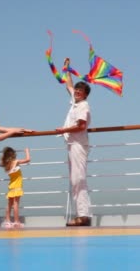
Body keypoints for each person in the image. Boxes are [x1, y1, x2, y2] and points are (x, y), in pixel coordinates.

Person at [55, 58, 93, 227]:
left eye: (80, 90)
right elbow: (68, 85)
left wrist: (63, 130)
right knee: (75, 179)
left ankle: (83, 216)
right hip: (73, 145)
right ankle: (82, 214)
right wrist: (66, 69)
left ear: (85, 94)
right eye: (77, 89)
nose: (77, 91)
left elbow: (81, 126)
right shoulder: (75, 102)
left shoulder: (83, 106)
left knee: (78, 179)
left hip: (78, 145)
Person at [0, 146, 31, 228]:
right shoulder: (15, 162)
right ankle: (16, 221)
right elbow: (28, 159)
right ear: (13, 155)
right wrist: (27, 151)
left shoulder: (7, 165)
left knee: (9, 204)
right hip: (17, 186)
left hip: (11, 186)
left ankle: (7, 221)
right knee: (16, 204)